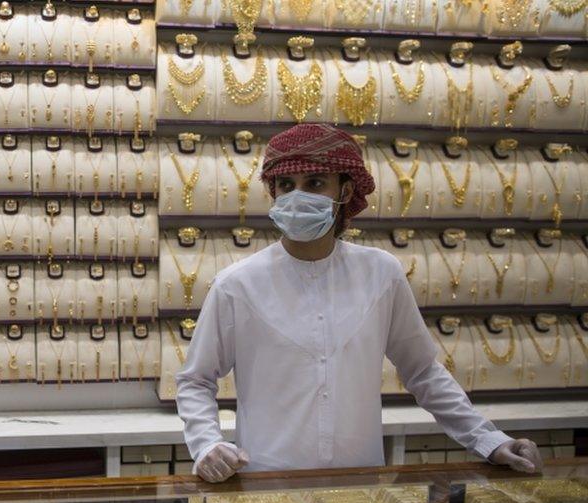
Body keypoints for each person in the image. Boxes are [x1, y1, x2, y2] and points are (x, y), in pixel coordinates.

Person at [175, 123, 543, 483]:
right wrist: (207, 444)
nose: (296, 196)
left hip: (361, 484)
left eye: (315, 183)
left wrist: (489, 440)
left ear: (345, 190)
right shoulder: (237, 285)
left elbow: (424, 372)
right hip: (267, 482)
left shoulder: (381, 274)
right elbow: (195, 380)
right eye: (286, 185)